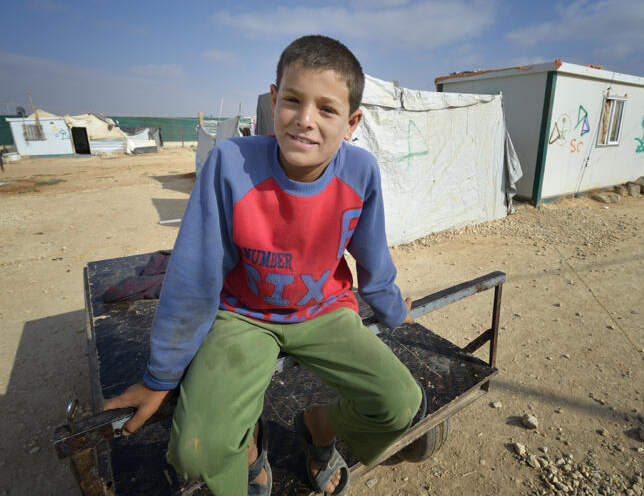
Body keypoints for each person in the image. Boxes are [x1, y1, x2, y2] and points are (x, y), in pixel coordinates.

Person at [103, 34, 422, 496]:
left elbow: (373, 257)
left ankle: (317, 428)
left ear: (352, 122)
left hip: (324, 310)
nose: (306, 121)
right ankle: (249, 450)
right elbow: (195, 274)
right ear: (274, 101)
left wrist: (393, 310)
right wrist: (160, 378)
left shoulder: (361, 172)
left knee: (399, 401)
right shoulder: (231, 163)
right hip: (244, 314)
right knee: (197, 451)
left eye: (327, 110)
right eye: (293, 100)